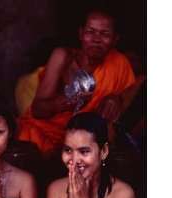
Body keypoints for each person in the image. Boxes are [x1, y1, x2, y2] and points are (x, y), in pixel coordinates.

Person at [17, 9, 136, 155]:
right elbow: (38, 110)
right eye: (90, 31)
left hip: (84, 142)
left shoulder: (119, 63)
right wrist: (68, 100)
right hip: (43, 135)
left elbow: (132, 98)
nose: (96, 39)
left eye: (105, 34)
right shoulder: (62, 57)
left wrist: (118, 98)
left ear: (115, 39)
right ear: (81, 34)